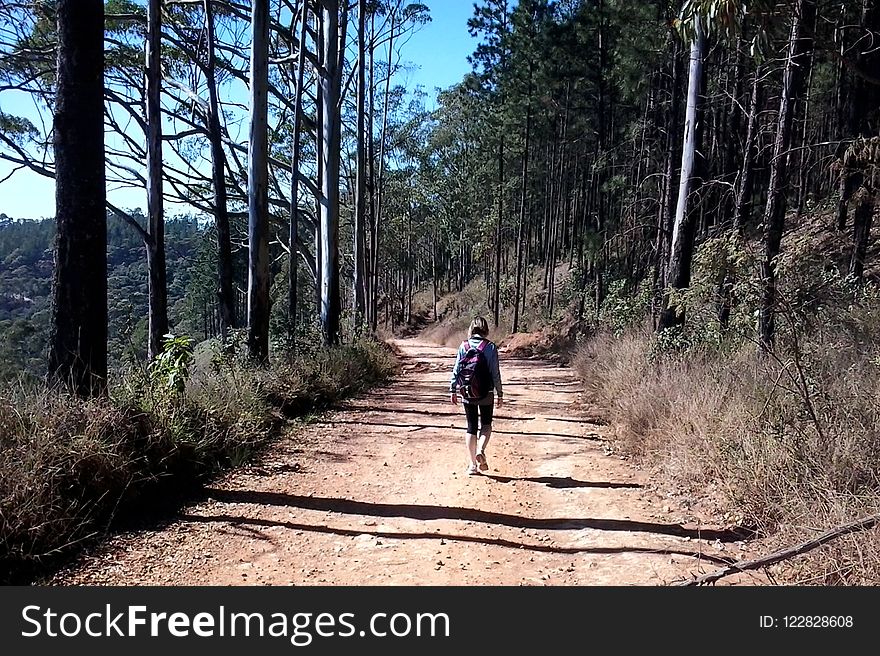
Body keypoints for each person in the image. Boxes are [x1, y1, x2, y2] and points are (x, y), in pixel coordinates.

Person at [449, 316, 504, 475]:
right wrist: (499, 393)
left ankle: (472, 465)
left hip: (467, 392)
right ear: (486, 329)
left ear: (471, 329)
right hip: (486, 392)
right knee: (486, 424)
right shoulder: (491, 347)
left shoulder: (463, 346)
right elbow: (495, 373)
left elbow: (456, 370)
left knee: (471, 427)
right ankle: (481, 449)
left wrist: (453, 389)